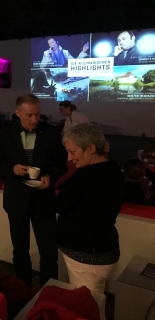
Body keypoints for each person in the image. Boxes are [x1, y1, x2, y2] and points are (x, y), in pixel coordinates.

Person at [0, 94, 67, 287]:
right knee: (20, 251)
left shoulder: (50, 132)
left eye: (38, 115)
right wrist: (12, 169)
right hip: (16, 199)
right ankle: (23, 290)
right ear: (17, 113)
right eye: (29, 115)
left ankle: (48, 292)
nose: (34, 120)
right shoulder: (5, 133)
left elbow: (62, 164)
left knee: (48, 252)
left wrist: (51, 177)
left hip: (43, 199)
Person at [57, 124, 123, 294]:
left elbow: (60, 204)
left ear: (91, 148)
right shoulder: (113, 168)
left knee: (86, 305)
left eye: (73, 152)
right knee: (93, 300)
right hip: (103, 249)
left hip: (86, 254)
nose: (70, 159)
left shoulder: (87, 175)